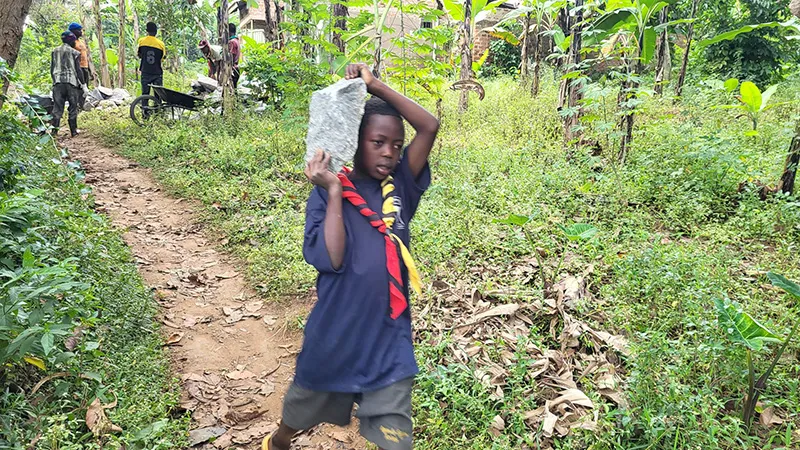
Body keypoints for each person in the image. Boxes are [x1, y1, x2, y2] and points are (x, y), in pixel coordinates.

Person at [262, 63, 440, 450]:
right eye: (378, 142)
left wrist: (375, 85)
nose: (390, 153)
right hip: (336, 334)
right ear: (355, 142)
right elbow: (333, 258)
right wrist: (336, 192)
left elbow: (428, 126)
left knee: (397, 440)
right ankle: (279, 440)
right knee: (299, 412)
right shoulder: (327, 192)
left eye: (395, 145)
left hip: (388, 340)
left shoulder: (402, 187)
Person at [50, 31, 85, 137]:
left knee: (57, 108)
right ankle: (73, 131)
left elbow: (52, 69)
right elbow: (78, 70)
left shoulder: (54, 51)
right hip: (71, 83)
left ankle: (54, 132)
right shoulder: (75, 53)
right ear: (72, 42)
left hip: (58, 83)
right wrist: (83, 84)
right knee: (73, 107)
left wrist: (54, 80)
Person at [137, 22, 165, 96]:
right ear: (156, 31)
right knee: (158, 94)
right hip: (157, 72)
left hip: (145, 71)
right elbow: (162, 58)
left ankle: (144, 107)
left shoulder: (141, 41)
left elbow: (139, 55)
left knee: (145, 93)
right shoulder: (161, 44)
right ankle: (157, 106)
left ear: (147, 31)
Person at [67, 22, 91, 88]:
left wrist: (89, 69)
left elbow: (85, 55)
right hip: (77, 68)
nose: (81, 32)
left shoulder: (81, 42)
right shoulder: (71, 42)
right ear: (73, 31)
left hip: (84, 67)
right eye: (79, 30)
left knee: (85, 87)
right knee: (78, 87)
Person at [227, 23, 241, 88]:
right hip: (236, 69)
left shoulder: (232, 42)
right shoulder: (237, 40)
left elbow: (231, 56)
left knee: (231, 90)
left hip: (233, 70)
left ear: (228, 31)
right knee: (234, 90)